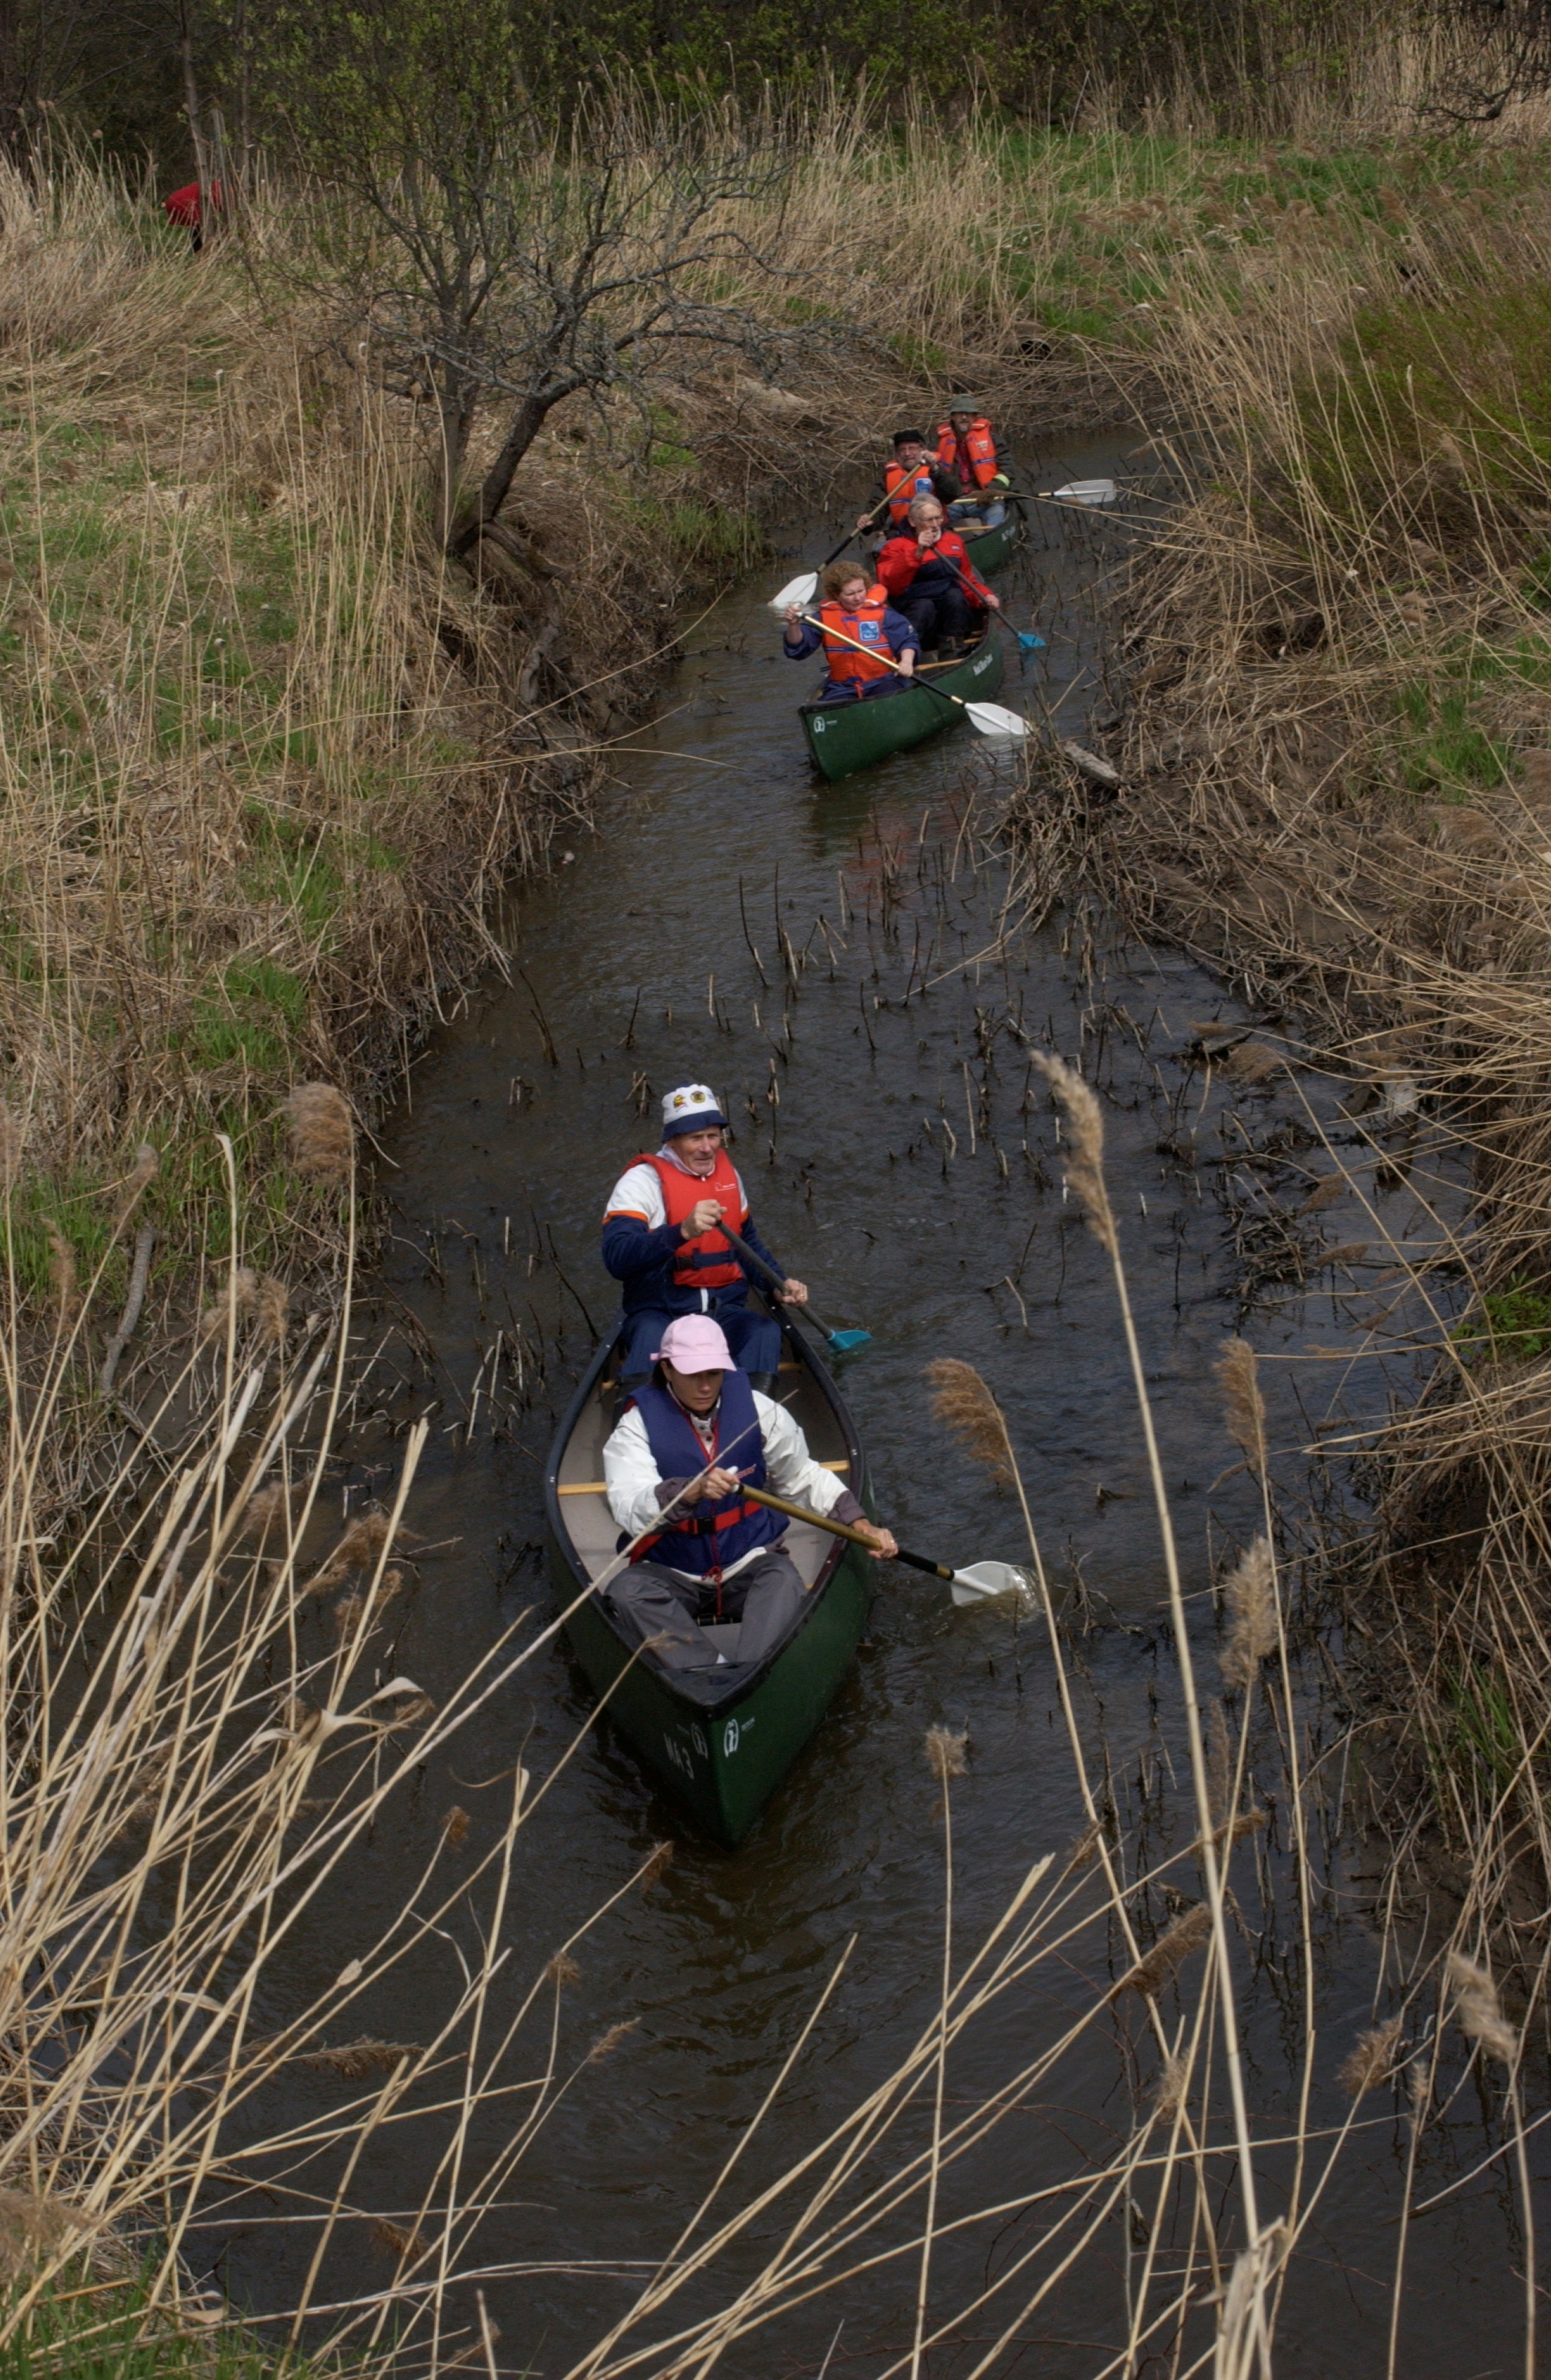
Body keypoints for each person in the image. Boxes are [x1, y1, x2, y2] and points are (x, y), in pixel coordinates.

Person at [601, 1315, 897, 1673]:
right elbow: (629, 1506)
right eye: (692, 1374)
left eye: (714, 1373)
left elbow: (801, 1477)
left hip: (750, 1560)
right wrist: (690, 1492)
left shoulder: (761, 1410)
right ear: (666, 1369)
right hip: (671, 1568)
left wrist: (859, 1523)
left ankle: (754, 1674)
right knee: (627, 1592)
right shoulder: (636, 1426)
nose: (705, 1386)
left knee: (783, 1580)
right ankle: (707, 1670)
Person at [602, 1085, 808, 1393]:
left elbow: (747, 1242)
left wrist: (777, 1284)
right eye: (695, 1138)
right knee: (648, 1337)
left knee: (764, 1330)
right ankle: (638, 1414)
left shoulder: (729, 1177)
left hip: (722, 1310)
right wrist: (681, 1232)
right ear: (671, 1140)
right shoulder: (640, 1182)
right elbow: (617, 1258)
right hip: (661, 1311)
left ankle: (752, 1413)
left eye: (713, 1136)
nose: (707, 1148)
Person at [878, 495, 1001, 658]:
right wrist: (917, 553)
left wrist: (985, 596)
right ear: (913, 521)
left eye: (938, 518)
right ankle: (906, 654)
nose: (935, 525)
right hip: (917, 611)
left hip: (950, 614)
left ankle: (953, 649)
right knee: (925, 607)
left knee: (955, 596)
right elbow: (891, 586)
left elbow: (966, 579)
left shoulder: (953, 541)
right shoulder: (895, 547)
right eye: (929, 520)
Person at [783, 561, 919, 702]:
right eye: (850, 594)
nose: (858, 598)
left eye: (861, 591)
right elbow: (798, 648)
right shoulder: (822, 618)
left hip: (883, 680)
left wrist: (906, 662)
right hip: (842, 687)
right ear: (837, 595)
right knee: (832, 705)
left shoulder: (885, 615)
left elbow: (907, 640)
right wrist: (793, 625)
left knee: (890, 696)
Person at [858, 430, 961, 535]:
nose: (907, 453)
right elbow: (877, 507)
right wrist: (869, 520)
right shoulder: (887, 478)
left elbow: (953, 494)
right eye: (902, 450)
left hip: (935, 530)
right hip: (902, 533)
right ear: (897, 453)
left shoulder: (936, 470)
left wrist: (935, 469)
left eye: (912, 448)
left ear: (922, 450)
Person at [934, 399, 1011, 527]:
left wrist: (991, 490)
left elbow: (1008, 469)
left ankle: (993, 534)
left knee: (996, 513)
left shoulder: (993, 439)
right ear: (952, 416)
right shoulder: (938, 443)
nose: (964, 417)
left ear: (975, 416)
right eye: (960, 413)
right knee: (935, 521)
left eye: (968, 413)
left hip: (985, 499)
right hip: (953, 502)